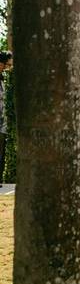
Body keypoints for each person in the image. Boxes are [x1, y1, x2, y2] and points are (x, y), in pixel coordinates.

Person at [0, 51, 12, 185]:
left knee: (1, 152)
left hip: (2, 122)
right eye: (7, 65)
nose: (8, 68)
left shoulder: (2, 78)